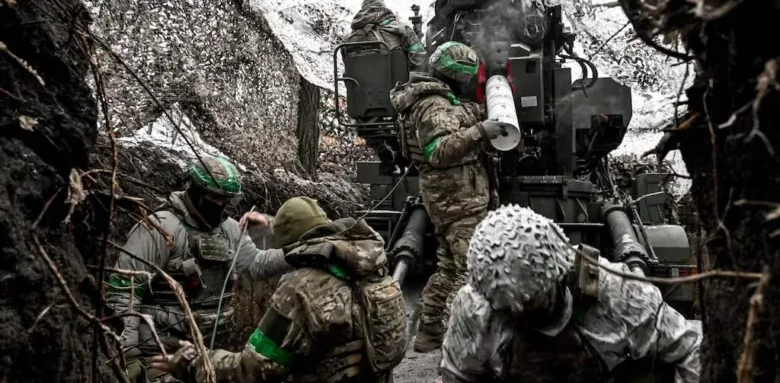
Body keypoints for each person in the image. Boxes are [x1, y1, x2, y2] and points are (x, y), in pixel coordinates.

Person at [151, 196, 407, 383]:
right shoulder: (372, 262)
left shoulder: (301, 289)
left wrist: (193, 362)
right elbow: (310, 230)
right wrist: (273, 223)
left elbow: (253, 370)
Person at [439, 204, 702, 383]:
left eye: (528, 299)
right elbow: (459, 376)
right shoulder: (475, 306)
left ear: (559, 277)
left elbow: (689, 348)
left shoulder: (619, 292)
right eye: (503, 306)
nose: (516, 310)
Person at [107, 155, 291, 382]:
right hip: (160, 356)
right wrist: (127, 357)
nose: (222, 206)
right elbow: (124, 291)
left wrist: (297, 253)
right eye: (216, 198)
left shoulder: (229, 229)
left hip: (206, 356)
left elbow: (256, 264)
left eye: (228, 200)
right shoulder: (160, 227)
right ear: (194, 189)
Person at [388, 41, 508, 352]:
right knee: (471, 271)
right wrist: (480, 131)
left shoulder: (436, 100)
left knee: (449, 268)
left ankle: (428, 332)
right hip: (457, 200)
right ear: (456, 76)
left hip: (452, 198)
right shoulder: (433, 105)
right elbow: (439, 151)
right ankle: (460, 341)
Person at [343, 0, 426, 72]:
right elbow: (419, 62)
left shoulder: (347, 41)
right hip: (399, 86)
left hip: (359, 87)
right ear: (383, 7)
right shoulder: (403, 29)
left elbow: (349, 70)